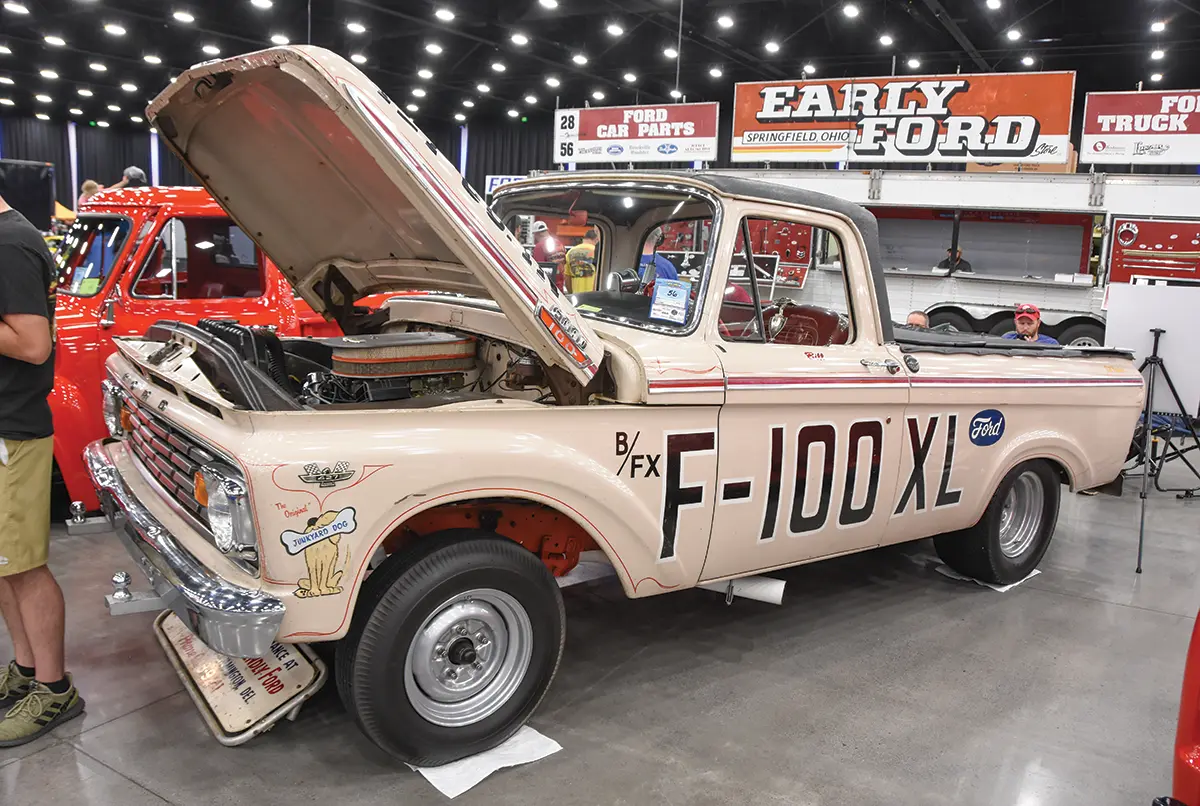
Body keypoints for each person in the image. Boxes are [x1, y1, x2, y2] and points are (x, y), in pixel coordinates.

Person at [0, 192, 83, 746]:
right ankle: (27, 672)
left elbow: (32, 343)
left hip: (14, 429)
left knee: (24, 565)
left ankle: (54, 689)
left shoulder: (9, 244)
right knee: (6, 562)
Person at [563, 227, 599, 294]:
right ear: (597, 239)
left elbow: (567, 277)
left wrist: (571, 293)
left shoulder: (570, 252)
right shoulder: (598, 252)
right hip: (594, 295)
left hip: (577, 296)